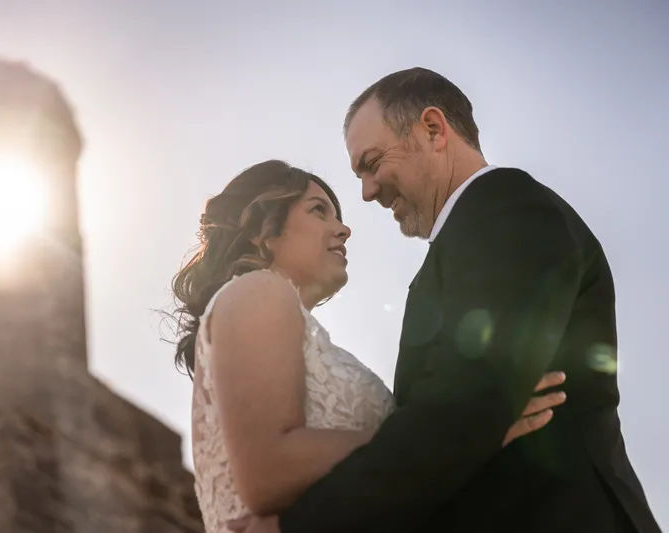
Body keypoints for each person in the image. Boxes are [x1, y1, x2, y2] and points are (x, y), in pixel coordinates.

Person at [231, 70, 662, 533]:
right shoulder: (463, 243)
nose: (367, 192)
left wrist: (298, 527)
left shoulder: (508, 209)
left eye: (372, 163)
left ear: (433, 129)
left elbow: (466, 407)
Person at [170, 159, 569, 533]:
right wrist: (460, 432)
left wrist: (472, 442)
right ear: (262, 231)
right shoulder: (257, 291)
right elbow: (268, 470)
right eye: (318, 211)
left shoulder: (280, 318)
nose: (343, 229)